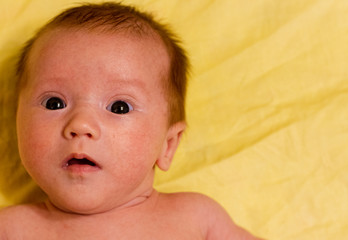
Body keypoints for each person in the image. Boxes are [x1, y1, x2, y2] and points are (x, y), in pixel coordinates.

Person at [0, 2, 262, 239]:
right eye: (54, 103)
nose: (80, 124)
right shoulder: (12, 228)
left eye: (119, 107)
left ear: (167, 145)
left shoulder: (197, 218)